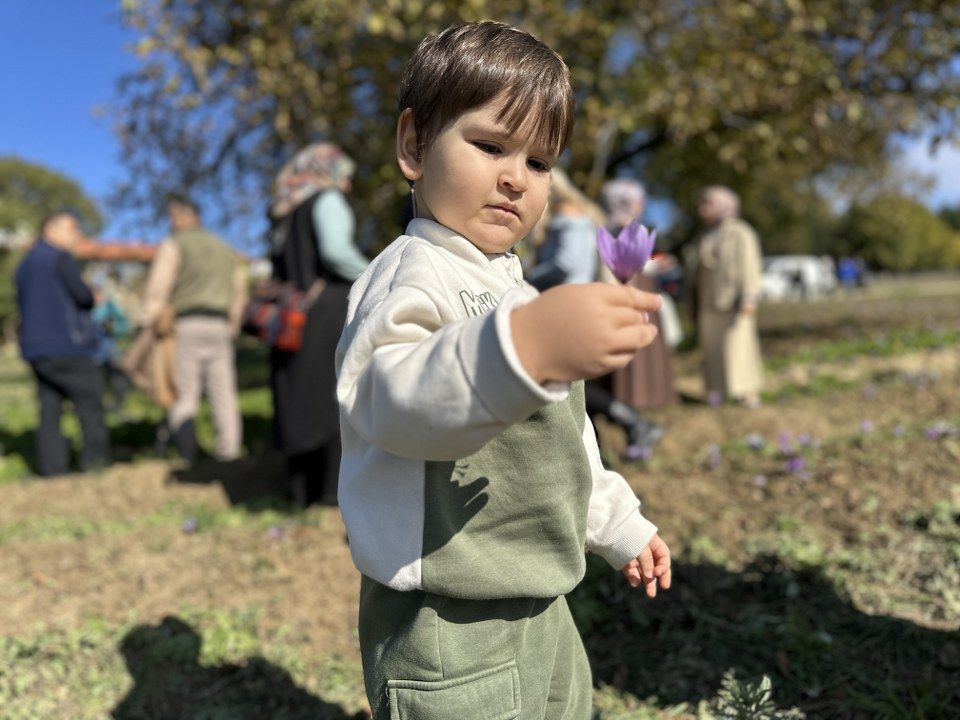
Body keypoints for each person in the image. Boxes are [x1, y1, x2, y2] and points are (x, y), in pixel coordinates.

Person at [336, 22, 671, 719]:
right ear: (413, 145)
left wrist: (619, 524)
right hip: (445, 620)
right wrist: (524, 352)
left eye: (541, 162)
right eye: (490, 146)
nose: (516, 177)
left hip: (541, 596)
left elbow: (565, 443)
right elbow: (389, 402)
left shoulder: (518, 291)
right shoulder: (410, 274)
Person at [528, 169, 664, 460]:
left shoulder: (567, 213)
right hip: (566, 305)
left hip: (566, 307)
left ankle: (631, 423)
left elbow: (567, 262)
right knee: (572, 384)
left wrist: (525, 277)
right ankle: (600, 452)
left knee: (565, 382)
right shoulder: (572, 216)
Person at [267, 142, 369, 507]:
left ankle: (298, 490)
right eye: (347, 176)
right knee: (331, 396)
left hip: (290, 315)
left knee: (295, 394)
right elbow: (336, 252)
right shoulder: (327, 201)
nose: (348, 185)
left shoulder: (286, 209)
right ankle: (329, 492)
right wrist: (378, 274)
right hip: (325, 312)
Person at [140, 195, 246, 462]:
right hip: (220, 325)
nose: (171, 223)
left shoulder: (175, 244)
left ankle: (188, 453)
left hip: (186, 325)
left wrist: (150, 320)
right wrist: (233, 326)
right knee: (223, 393)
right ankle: (229, 451)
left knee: (184, 393)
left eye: (174, 217)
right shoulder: (224, 249)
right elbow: (239, 293)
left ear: (188, 216)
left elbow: (158, 287)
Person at [15, 212, 109, 475]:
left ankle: (52, 469)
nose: (76, 235)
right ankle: (95, 464)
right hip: (70, 346)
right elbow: (82, 296)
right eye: (73, 229)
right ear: (51, 229)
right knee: (90, 406)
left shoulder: (24, 264)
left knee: (50, 408)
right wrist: (93, 294)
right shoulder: (60, 258)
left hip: (36, 348)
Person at [600, 179, 678, 412]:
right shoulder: (626, 227)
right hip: (633, 288)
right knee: (639, 343)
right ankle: (640, 396)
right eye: (637, 200)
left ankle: (633, 396)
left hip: (629, 286)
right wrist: (659, 264)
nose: (641, 204)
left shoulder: (612, 227)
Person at [688, 185, 764, 408]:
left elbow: (750, 266)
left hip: (733, 301)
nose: (702, 207)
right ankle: (717, 390)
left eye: (708, 202)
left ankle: (747, 392)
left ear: (725, 206)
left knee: (739, 347)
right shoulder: (704, 236)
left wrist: (750, 296)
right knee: (712, 349)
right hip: (707, 301)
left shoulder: (741, 232)